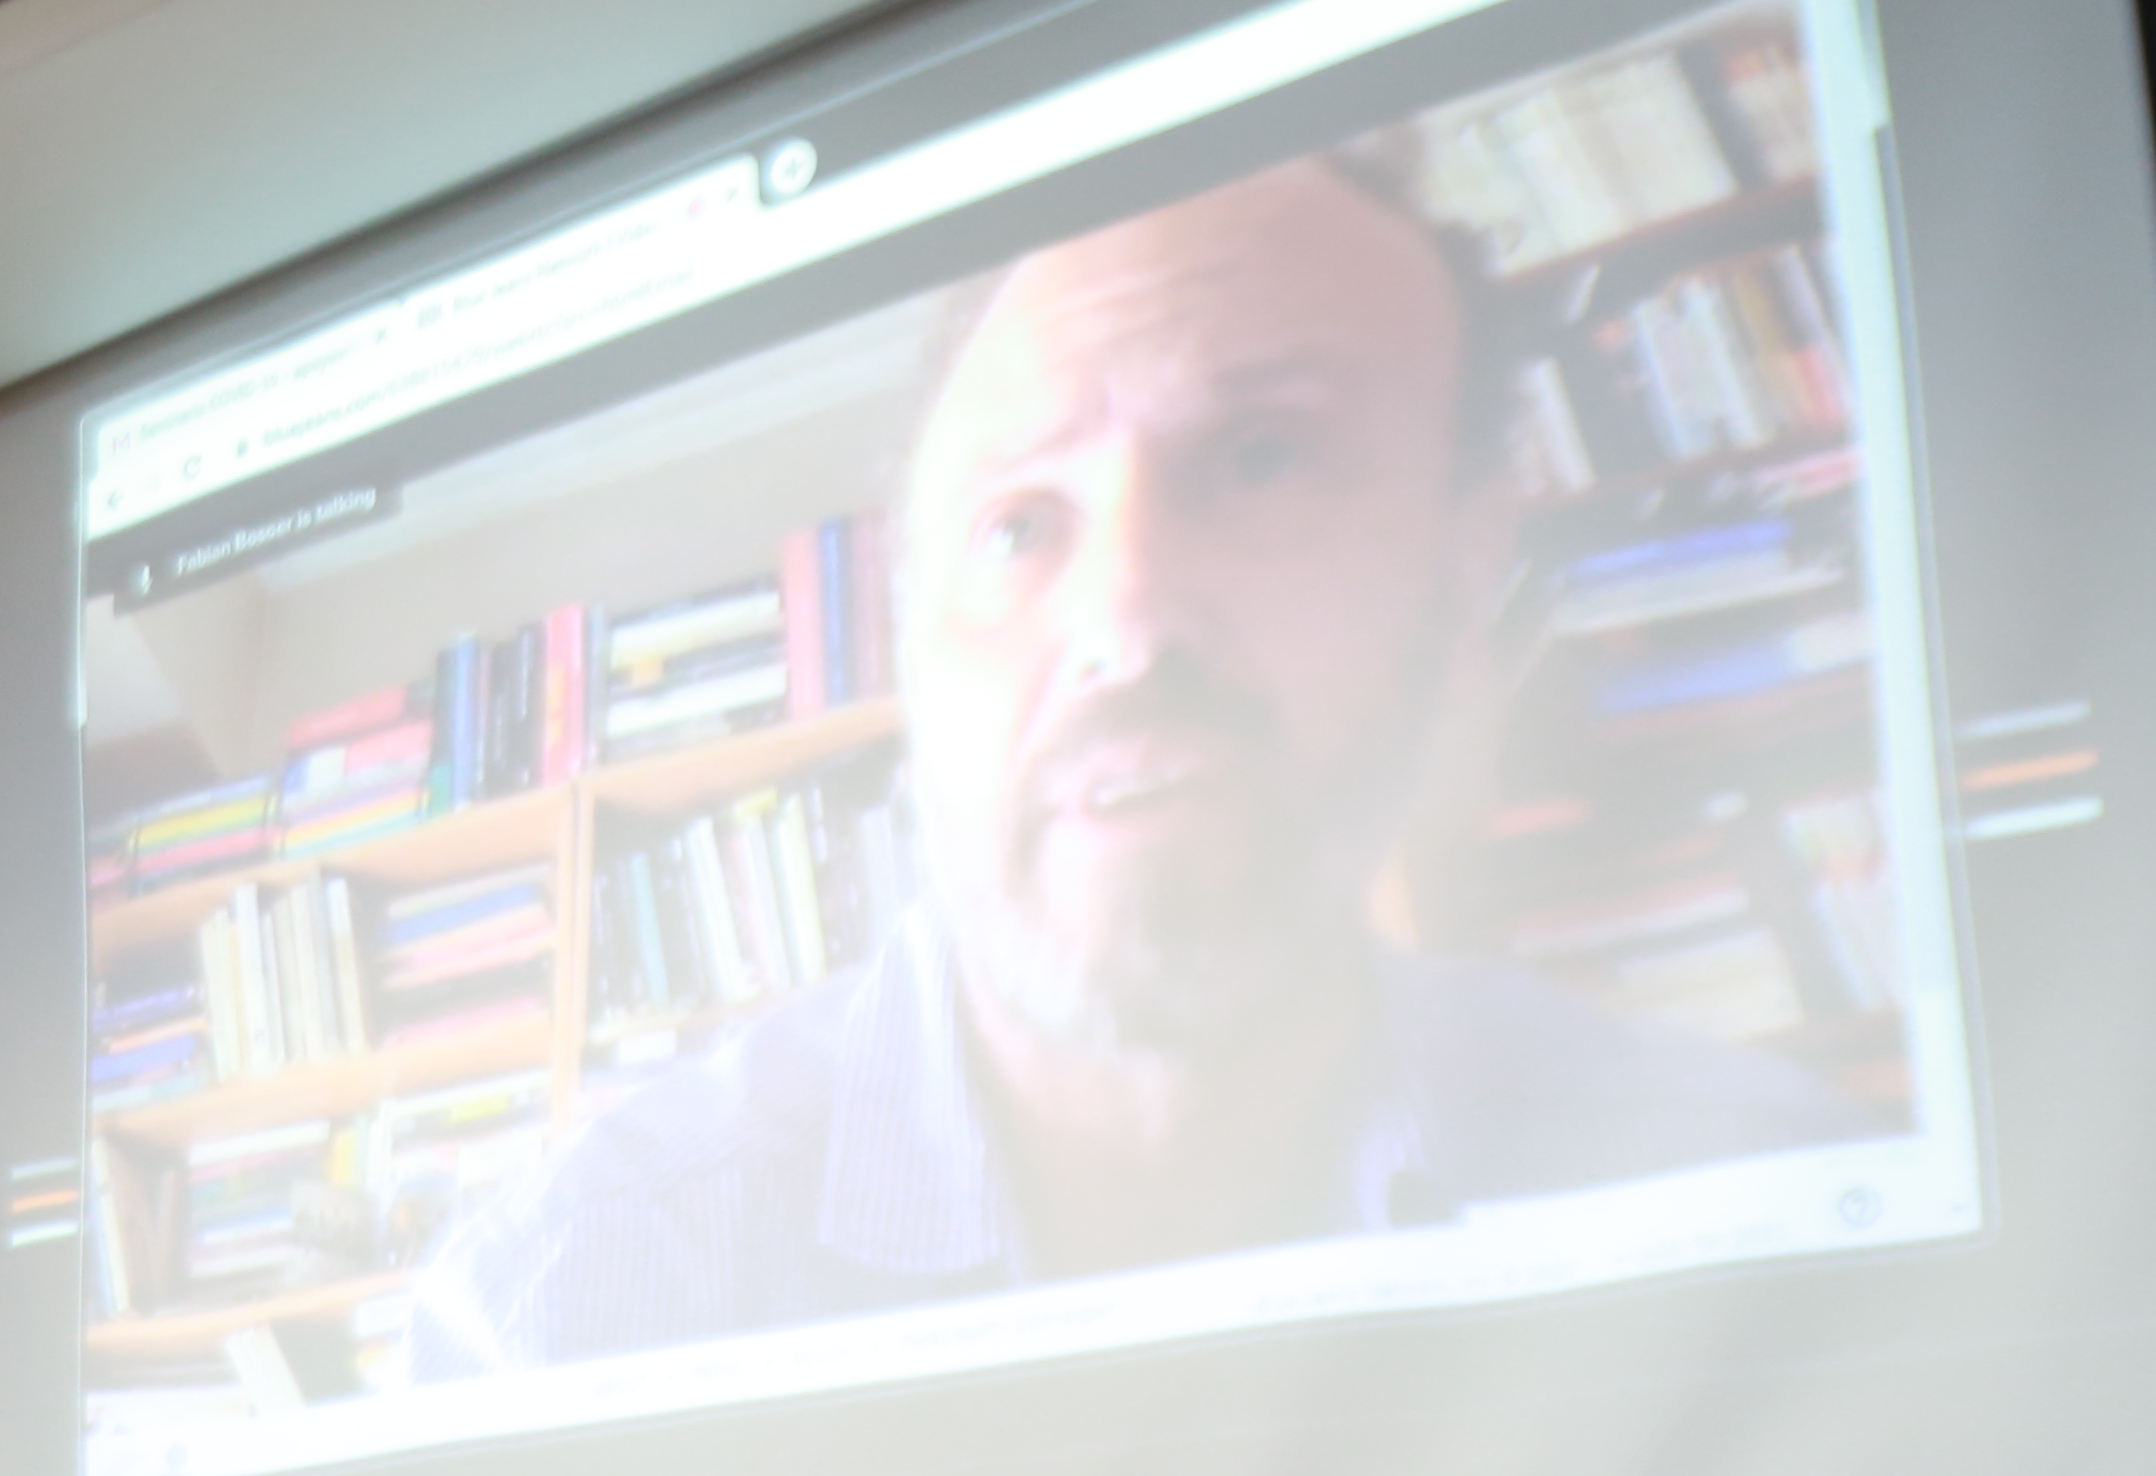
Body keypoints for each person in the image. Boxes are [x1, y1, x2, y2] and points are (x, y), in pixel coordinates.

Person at [420, 152, 1855, 1372]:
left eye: (1264, 459)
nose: (1124, 623)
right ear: (908, 653)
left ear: (1468, 569)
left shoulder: (1767, 1216)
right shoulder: (558, 1318)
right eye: (1017, 527)